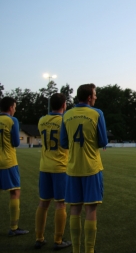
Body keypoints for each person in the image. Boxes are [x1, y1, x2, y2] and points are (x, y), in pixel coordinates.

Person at [60, 84, 108, 253]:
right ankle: (89, 250)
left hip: (72, 168)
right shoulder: (97, 113)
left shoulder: (67, 115)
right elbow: (103, 142)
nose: (95, 97)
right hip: (91, 168)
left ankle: (76, 250)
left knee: (74, 208)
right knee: (90, 208)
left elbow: (63, 143)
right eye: (94, 95)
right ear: (89, 97)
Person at [34, 93, 71, 250]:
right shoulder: (65, 121)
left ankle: (39, 238)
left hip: (44, 167)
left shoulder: (42, 120)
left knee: (43, 203)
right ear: (64, 105)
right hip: (60, 167)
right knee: (60, 204)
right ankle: (58, 240)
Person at [0, 97, 29, 236]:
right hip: (8, 161)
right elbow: (16, 142)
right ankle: (14, 227)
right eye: (15, 107)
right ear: (11, 107)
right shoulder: (12, 120)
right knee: (15, 192)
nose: (15, 109)